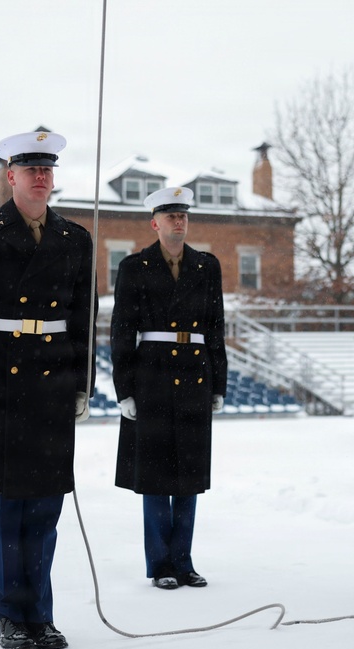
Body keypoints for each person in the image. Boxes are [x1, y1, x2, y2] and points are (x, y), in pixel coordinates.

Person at [0, 130, 96, 649]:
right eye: (30, 169)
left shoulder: (75, 239)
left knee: (45, 511)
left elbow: (83, 318)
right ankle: (9, 614)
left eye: (47, 170)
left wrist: (82, 382)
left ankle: (40, 613)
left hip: (52, 382)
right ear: (10, 177)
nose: (40, 178)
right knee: (6, 508)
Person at [109, 186, 228, 591]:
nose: (178, 222)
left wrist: (219, 383)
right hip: (152, 376)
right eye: (170, 216)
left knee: (191, 476)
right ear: (154, 222)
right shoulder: (134, 266)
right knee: (156, 476)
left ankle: (184, 560)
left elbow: (216, 328)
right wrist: (124, 389)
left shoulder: (206, 266)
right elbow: (122, 331)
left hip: (195, 374)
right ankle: (161, 563)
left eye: (183, 216)